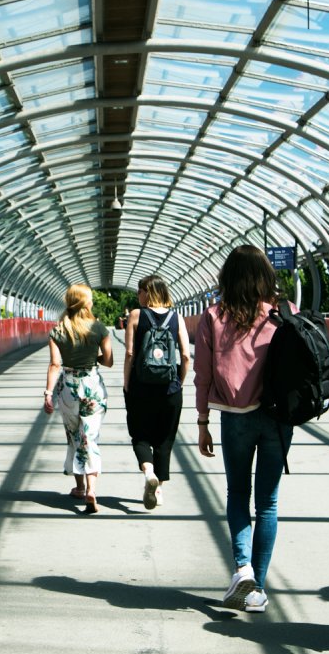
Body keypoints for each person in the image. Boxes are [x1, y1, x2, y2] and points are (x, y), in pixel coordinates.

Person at [194, 246, 289, 614]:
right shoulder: (281, 315)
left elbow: (203, 375)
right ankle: (257, 590)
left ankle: (243, 568)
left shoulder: (214, 317)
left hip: (234, 416)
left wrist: (202, 422)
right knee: (268, 503)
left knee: (238, 493)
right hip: (278, 419)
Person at [43, 283, 114, 512]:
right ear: (86, 302)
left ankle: (80, 487)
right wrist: (95, 357)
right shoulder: (99, 328)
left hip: (68, 388)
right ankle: (92, 489)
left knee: (74, 435)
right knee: (89, 437)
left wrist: (48, 394)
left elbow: (55, 364)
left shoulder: (58, 331)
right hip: (92, 385)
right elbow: (109, 361)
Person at [121, 275, 190, 510]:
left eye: (139, 291)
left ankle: (148, 472)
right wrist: (178, 382)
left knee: (140, 435)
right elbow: (186, 356)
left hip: (141, 387)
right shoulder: (177, 317)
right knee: (165, 439)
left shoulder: (136, 315)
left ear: (147, 292)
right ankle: (158, 490)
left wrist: (127, 382)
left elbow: (130, 353)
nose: (137, 295)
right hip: (170, 389)